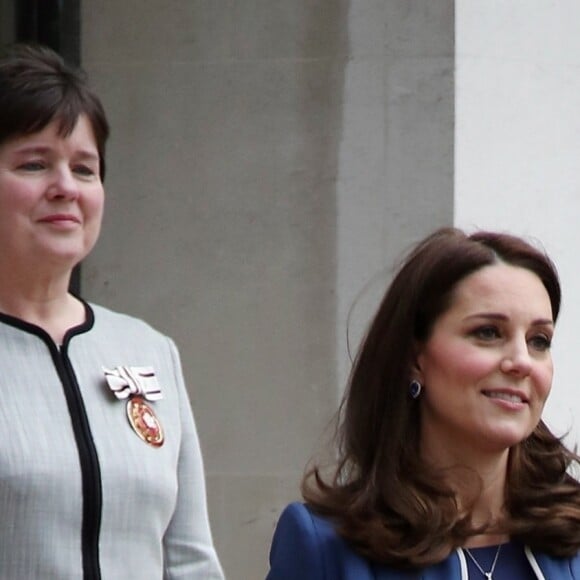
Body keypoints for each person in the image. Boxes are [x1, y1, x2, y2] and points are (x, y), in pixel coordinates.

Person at [0, 43, 223, 579]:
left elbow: (189, 559)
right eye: (34, 164)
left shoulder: (149, 351)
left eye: (84, 169)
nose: (65, 189)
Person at [266, 227, 580, 579]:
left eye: (539, 340)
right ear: (415, 359)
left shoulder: (573, 538)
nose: (521, 361)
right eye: (488, 333)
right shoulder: (325, 548)